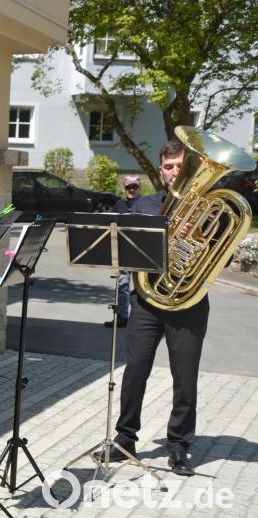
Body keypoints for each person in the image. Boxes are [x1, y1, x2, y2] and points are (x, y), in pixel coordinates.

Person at [102, 139, 207, 476]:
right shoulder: (143, 207)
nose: (174, 172)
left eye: (179, 166)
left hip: (188, 303)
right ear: (160, 169)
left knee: (185, 377)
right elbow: (126, 252)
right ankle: (125, 438)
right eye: (168, 166)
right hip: (148, 301)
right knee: (135, 371)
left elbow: (224, 258)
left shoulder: (205, 208)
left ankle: (178, 447)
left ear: (187, 168)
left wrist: (201, 233)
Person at [104, 175, 142, 328]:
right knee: (123, 285)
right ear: (124, 188)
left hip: (141, 251)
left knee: (141, 288)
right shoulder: (119, 204)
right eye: (128, 187)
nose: (131, 190)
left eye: (134, 187)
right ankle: (122, 316)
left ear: (139, 187)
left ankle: (140, 320)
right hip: (124, 250)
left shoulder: (146, 203)